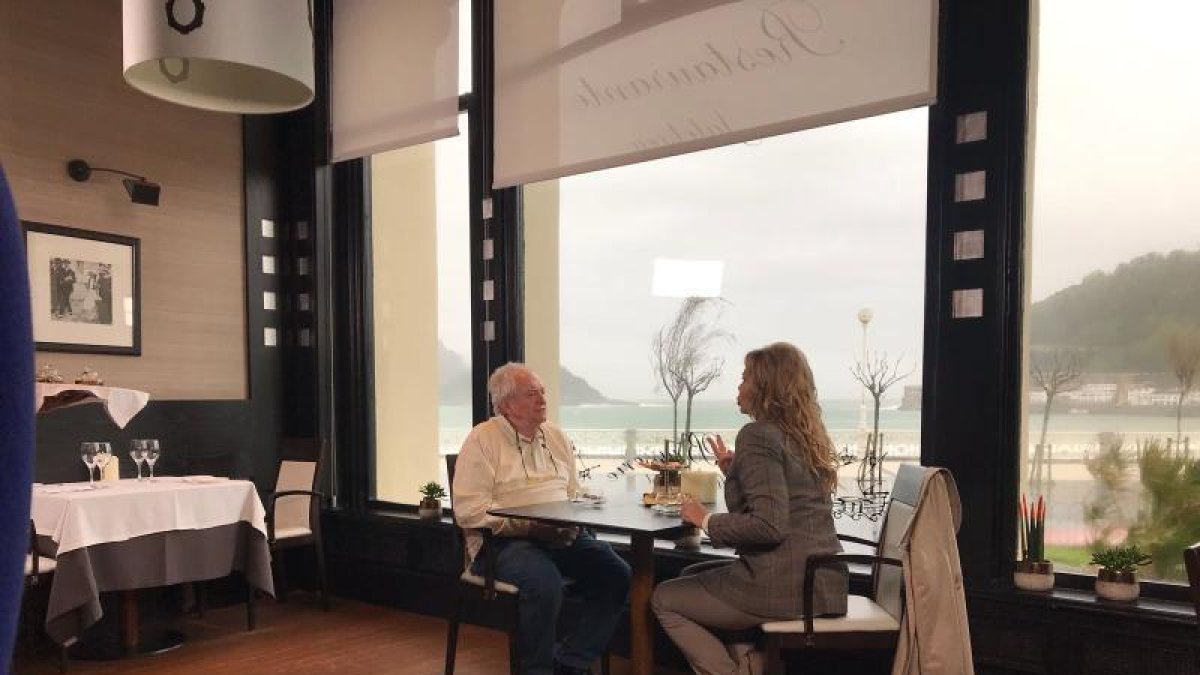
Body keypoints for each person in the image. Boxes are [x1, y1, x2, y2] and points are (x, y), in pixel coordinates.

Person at [652, 342, 848, 675]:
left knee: (663, 598)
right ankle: (749, 665)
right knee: (690, 576)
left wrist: (705, 519)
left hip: (783, 584)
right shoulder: (802, 435)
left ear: (765, 387)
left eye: (744, 378)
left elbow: (769, 526)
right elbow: (783, 500)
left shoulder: (757, 435)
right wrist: (736, 471)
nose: (738, 386)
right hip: (824, 581)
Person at [452, 363, 631, 675]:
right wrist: (531, 526)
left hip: (561, 538)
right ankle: (536, 670)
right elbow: (469, 512)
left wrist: (585, 507)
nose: (542, 398)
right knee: (543, 581)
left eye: (542, 392)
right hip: (503, 545)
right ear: (506, 404)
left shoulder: (556, 437)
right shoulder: (482, 440)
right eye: (531, 393)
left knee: (615, 572)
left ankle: (569, 663)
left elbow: (574, 491)